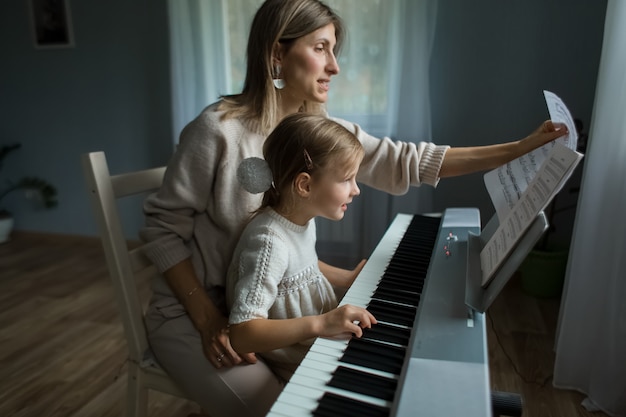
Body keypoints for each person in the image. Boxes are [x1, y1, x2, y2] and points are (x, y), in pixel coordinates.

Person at [140, 0, 569, 416]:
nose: (335, 66)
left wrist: (518, 149)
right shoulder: (217, 130)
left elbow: (409, 161)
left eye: (334, 50)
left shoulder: (321, 133)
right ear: (277, 52)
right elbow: (162, 230)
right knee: (279, 407)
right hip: (192, 311)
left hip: (265, 312)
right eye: (320, 47)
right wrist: (207, 316)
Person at [226, 113, 376, 383]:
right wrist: (321, 324)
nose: (356, 190)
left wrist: (347, 278)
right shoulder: (269, 242)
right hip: (295, 365)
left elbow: (303, 265)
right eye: (346, 179)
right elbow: (241, 333)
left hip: (316, 344)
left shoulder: (299, 219)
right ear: (305, 185)